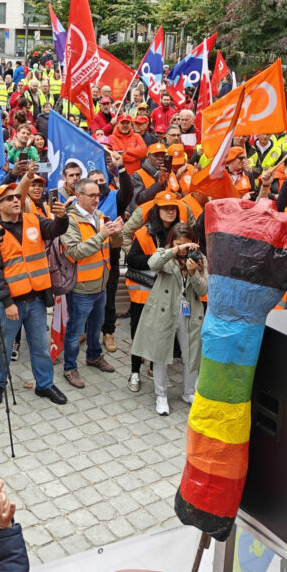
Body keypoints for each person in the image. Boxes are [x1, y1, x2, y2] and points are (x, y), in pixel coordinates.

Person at [0, 181, 69, 406]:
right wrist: (7, 302)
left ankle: (45, 385)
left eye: (16, 197)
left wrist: (61, 217)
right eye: (9, 198)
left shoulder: (33, 219)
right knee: (4, 346)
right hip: (10, 303)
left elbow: (55, 229)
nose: (15, 201)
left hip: (37, 299)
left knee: (40, 346)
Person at [131, 222, 207, 415]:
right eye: (179, 243)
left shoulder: (199, 259)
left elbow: (203, 290)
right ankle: (161, 395)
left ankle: (189, 392)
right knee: (160, 354)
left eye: (186, 244)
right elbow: (152, 264)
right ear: (172, 242)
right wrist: (174, 250)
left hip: (189, 311)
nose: (183, 249)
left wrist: (193, 272)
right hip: (164, 310)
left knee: (191, 352)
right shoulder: (166, 255)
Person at [59, 178, 123, 388]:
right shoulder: (69, 220)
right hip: (81, 288)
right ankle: (69, 367)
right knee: (75, 331)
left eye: (99, 195)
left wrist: (117, 233)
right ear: (79, 196)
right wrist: (103, 234)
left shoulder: (99, 216)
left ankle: (94, 356)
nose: (98, 199)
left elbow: (114, 245)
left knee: (95, 327)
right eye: (93, 195)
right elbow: (76, 251)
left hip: (100, 284)